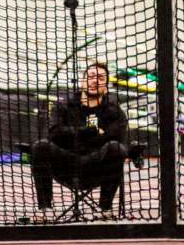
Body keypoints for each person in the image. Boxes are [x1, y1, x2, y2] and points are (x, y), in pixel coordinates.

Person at [30, 62, 129, 221]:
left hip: (96, 168)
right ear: (83, 81)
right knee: (40, 146)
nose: (95, 81)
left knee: (116, 149)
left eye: (100, 78)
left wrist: (71, 134)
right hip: (66, 165)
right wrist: (89, 131)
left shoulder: (115, 112)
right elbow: (54, 134)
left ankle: (105, 208)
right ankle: (45, 209)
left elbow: (118, 141)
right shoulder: (63, 106)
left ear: (106, 86)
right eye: (90, 77)